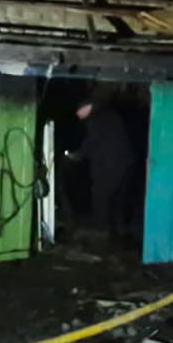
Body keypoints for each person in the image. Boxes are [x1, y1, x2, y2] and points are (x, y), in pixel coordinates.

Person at [66, 99, 141, 245]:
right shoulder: (109, 115)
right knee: (118, 198)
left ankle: (103, 229)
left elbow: (92, 142)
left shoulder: (96, 119)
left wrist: (77, 155)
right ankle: (119, 229)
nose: (78, 115)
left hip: (111, 165)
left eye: (79, 111)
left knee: (101, 196)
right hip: (126, 163)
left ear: (88, 108)